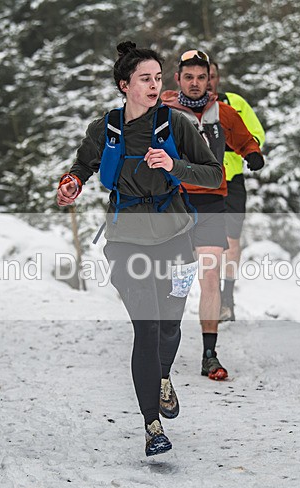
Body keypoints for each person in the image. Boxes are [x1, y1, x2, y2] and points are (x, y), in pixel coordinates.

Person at [57, 42, 222, 457]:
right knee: (146, 328)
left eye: (158, 78)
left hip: (177, 238)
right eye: (145, 79)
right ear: (124, 85)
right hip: (125, 240)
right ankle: (152, 424)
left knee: (169, 326)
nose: (154, 85)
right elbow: (82, 165)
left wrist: (174, 167)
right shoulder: (106, 128)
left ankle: (163, 376)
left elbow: (213, 172)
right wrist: (72, 184)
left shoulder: (177, 124)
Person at [160, 49, 264, 381]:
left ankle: (209, 353)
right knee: (174, 281)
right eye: (188, 77)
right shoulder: (164, 111)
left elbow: (246, 137)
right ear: (178, 79)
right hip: (174, 202)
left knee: (209, 277)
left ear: (210, 79)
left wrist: (252, 154)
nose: (194, 83)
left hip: (211, 204)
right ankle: (163, 349)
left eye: (201, 77)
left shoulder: (223, 112)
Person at [207, 62, 266, 322]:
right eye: (198, 76)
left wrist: (231, 147)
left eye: (210, 76)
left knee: (231, 242)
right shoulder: (184, 106)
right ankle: (211, 295)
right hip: (201, 184)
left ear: (217, 78)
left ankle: (227, 297)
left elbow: (256, 135)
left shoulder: (235, 103)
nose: (205, 81)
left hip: (232, 181)